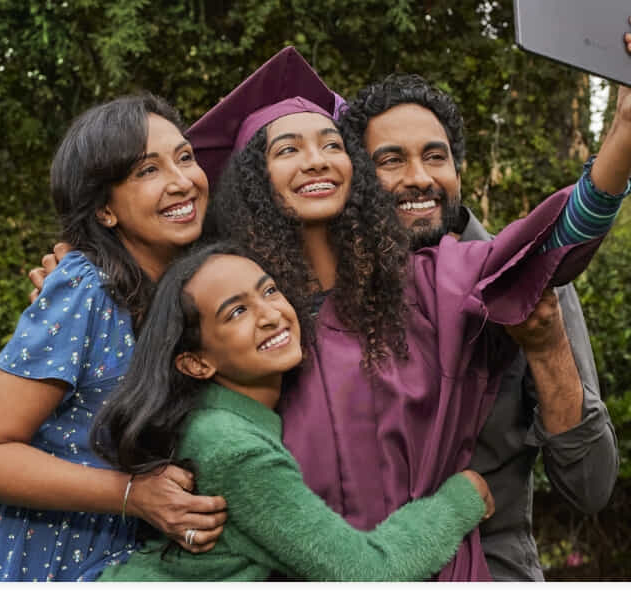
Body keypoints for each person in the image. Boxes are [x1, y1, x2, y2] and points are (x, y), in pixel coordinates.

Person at [187, 7, 631, 581]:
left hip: (467, 568)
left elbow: (555, 239)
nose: (316, 160)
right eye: (389, 160)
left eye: (329, 143)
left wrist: (630, 124)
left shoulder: (440, 287)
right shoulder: (249, 318)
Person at [338, 71, 618, 580]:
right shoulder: (336, 293)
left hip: (491, 568)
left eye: (435, 156)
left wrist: (547, 346)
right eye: (391, 160)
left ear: (457, 168)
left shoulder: (527, 278)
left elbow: (589, 486)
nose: (419, 177)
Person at [0, 94, 227, 581]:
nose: (182, 181)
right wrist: (132, 495)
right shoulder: (86, 288)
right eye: (146, 171)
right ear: (105, 211)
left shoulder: (191, 293)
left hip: (119, 563)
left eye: (184, 157)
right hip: (31, 559)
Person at [93, 242, 494, 581]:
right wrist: (459, 501)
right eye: (236, 312)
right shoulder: (235, 450)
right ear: (197, 363)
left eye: (268, 292)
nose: (270, 315)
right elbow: (369, 572)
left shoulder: (212, 420)